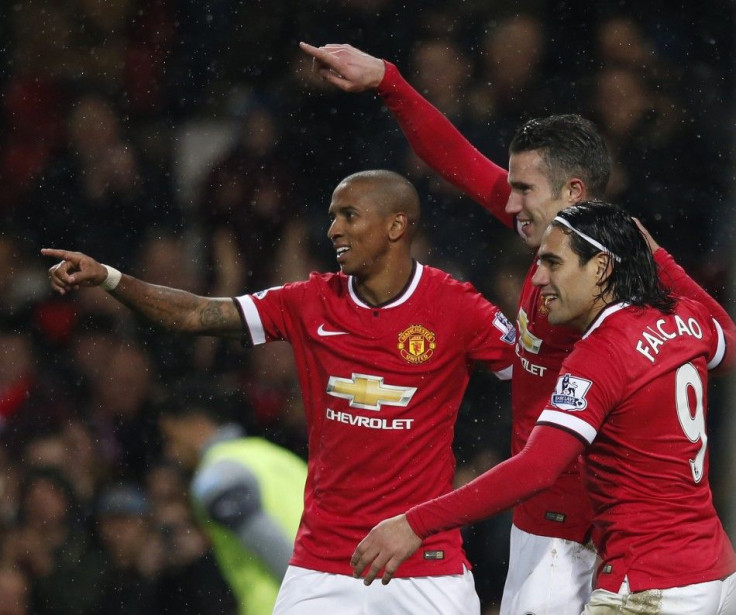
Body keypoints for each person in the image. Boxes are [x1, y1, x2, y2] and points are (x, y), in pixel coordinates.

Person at [299, 42, 736, 614]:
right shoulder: (565, 250)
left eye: (525, 189)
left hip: (578, 530)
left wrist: (418, 521)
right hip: (588, 530)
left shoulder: (612, 299)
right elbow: (456, 160)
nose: (510, 200)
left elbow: (716, 339)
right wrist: (389, 81)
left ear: (573, 193)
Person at [42, 169, 517, 614]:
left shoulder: (458, 308)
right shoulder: (309, 301)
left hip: (425, 564)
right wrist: (111, 278)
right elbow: (196, 315)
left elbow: (534, 381)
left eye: (349, 215)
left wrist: (496, 458)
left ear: (396, 226)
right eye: (333, 216)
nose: (333, 230)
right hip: (323, 564)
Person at [351, 202, 736, 614]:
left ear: (602, 267)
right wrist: (661, 259)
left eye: (553, 262)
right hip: (717, 575)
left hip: (647, 588)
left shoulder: (599, 354)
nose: (538, 277)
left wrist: (415, 523)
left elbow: (536, 469)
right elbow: (730, 344)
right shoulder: (686, 317)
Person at [157, 392, 307, 615]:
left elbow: (270, 543)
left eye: (171, 438)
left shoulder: (215, 476)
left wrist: (310, 600)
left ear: (196, 425)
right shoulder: (275, 456)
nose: (169, 451)